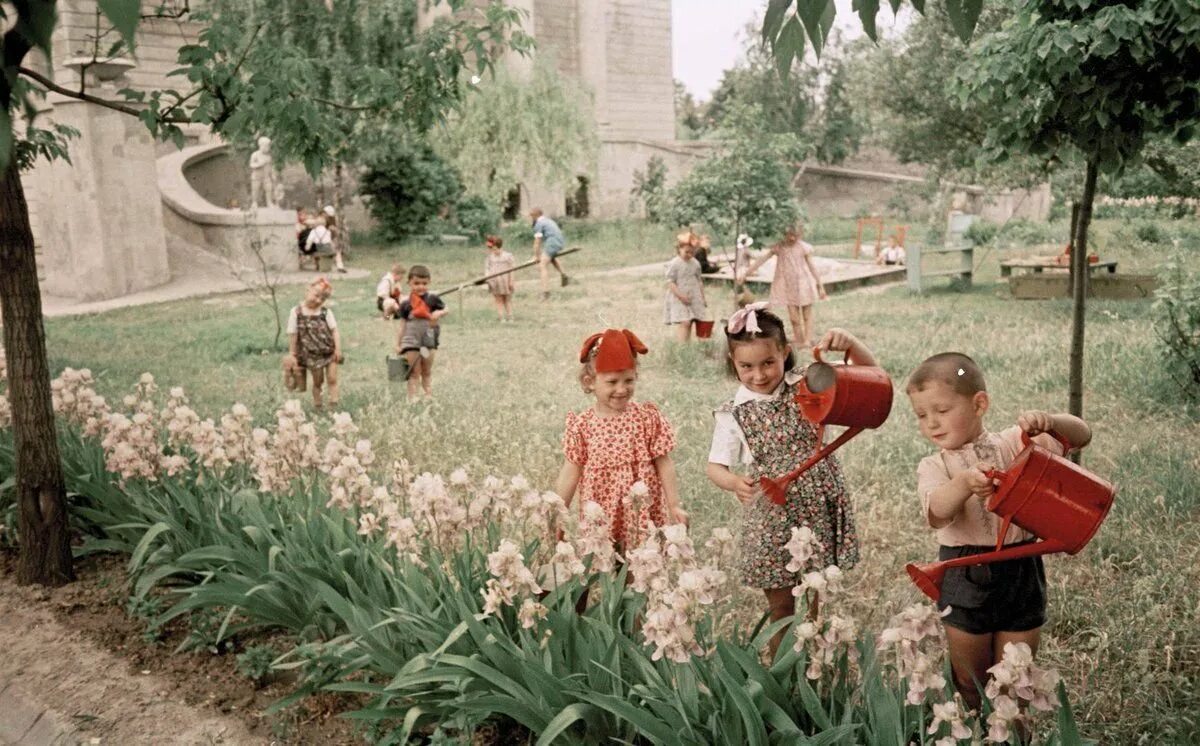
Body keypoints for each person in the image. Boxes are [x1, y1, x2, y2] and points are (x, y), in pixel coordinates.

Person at [906, 352, 1091, 711]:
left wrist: (1051, 422)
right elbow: (936, 513)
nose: (931, 423)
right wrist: (963, 483)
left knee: (1016, 679)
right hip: (963, 571)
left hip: (1020, 568)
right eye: (921, 415)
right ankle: (975, 725)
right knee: (969, 680)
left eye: (941, 411)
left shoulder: (1015, 443)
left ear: (980, 403)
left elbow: (1081, 436)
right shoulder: (935, 465)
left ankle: (1012, 732)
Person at [705, 303, 874, 660]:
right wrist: (733, 482)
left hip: (816, 503)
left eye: (768, 362)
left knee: (813, 597)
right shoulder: (733, 412)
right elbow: (715, 466)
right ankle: (782, 672)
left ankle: (813, 667)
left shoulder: (809, 384)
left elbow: (871, 377)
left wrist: (851, 345)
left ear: (784, 352)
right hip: (772, 511)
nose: (759, 375)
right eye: (745, 366)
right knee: (781, 605)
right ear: (733, 364)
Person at [556, 329, 688, 551]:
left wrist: (674, 504)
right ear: (590, 382)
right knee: (602, 565)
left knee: (640, 565)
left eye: (629, 380)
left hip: (640, 510)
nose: (621, 389)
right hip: (600, 510)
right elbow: (571, 471)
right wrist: (558, 512)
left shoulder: (647, 418)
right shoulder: (582, 425)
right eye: (612, 382)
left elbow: (664, 463)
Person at [737, 223, 827, 350]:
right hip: (788, 287)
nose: (792, 238)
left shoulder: (803, 247)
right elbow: (762, 259)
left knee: (806, 315)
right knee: (794, 318)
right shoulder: (780, 247)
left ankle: (807, 340)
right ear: (784, 234)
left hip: (803, 284)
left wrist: (820, 285)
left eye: (795, 236)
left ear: (799, 235)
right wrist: (746, 273)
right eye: (789, 235)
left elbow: (812, 267)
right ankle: (799, 339)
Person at [394, 265, 448, 401]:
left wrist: (439, 312)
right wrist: (397, 343)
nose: (420, 287)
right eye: (416, 283)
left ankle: (428, 396)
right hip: (410, 342)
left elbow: (447, 309)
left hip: (428, 342)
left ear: (429, 282)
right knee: (414, 372)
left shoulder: (433, 299)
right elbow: (402, 325)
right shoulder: (406, 304)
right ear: (409, 283)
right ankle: (413, 398)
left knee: (426, 371)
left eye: (424, 283)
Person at [287, 277, 342, 411]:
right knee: (318, 381)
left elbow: (335, 330)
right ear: (308, 290)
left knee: (332, 378)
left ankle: (334, 404)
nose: (318, 300)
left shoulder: (325, 312)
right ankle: (318, 405)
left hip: (329, 351)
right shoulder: (296, 312)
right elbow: (293, 334)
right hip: (311, 354)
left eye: (322, 299)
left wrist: (338, 349)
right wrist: (292, 353)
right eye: (316, 295)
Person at [664, 232, 709, 342]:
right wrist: (681, 296)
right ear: (679, 249)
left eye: (692, 252)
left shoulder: (695, 263)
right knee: (685, 322)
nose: (689, 254)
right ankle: (682, 347)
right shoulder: (674, 263)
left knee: (693, 320)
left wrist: (703, 298)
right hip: (679, 296)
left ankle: (690, 345)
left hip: (694, 295)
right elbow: (670, 282)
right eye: (686, 252)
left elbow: (699, 281)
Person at [530, 207, 569, 300]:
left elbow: (537, 241)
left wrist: (536, 256)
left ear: (535, 215)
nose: (531, 218)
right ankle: (563, 274)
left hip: (552, 242)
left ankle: (545, 293)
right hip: (560, 241)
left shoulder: (539, 223)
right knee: (551, 257)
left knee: (542, 265)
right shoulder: (548, 221)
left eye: (531, 216)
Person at [483, 235, 516, 322]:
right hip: (495, 281)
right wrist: (487, 278)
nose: (493, 251)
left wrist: (511, 281)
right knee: (498, 300)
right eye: (491, 249)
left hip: (505, 281)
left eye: (494, 249)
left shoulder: (508, 256)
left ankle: (510, 316)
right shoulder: (490, 258)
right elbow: (487, 269)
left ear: (499, 247)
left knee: (507, 299)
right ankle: (501, 317)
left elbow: (512, 269)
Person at [248, 137, 276, 209]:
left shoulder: (268, 157)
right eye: (266, 146)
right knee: (255, 190)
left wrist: (272, 174)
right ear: (261, 146)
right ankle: (254, 203)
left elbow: (271, 166)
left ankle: (269, 202)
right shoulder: (255, 154)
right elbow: (251, 165)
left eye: (268, 146)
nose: (268, 148)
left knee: (269, 189)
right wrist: (259, 164)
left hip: (266, 177)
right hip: (257, 177)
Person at [323, 205, 348, 274]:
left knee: (337, 251)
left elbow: (333, 236)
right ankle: (340, 266)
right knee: (337, 251)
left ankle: (340, 266)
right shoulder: (325, 224)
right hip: (325, 244)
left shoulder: (329, 224)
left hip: (326, 243)